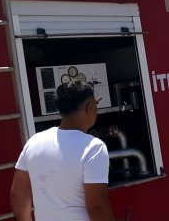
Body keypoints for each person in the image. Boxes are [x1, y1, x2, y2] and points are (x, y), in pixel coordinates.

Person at [10, 81, 114, 221]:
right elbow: (97, 206)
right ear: (89, 107)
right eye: (95, 103)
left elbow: (18, 195)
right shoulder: (94, 147)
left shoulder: (34, 142)